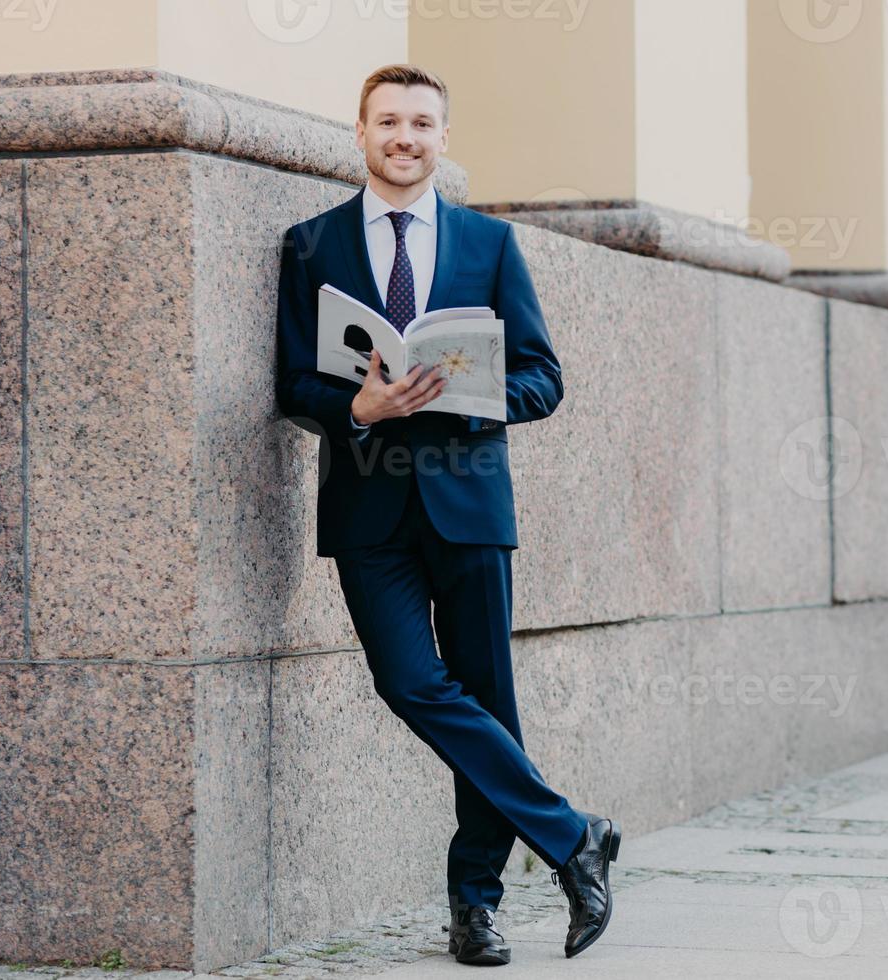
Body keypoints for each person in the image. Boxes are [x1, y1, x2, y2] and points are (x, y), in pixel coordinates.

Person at [273, 63, 620, 966]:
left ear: (443, 138)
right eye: (388, 121)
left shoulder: (490, 246)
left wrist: (467, 396)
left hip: (468, 500)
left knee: (486, 700)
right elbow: (290, 383)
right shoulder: (310, 246)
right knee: (410, 683)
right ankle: (574, 834)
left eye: (422, 124)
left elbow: (545, 377)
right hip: (368, 507)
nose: (405, 137)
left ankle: (476, 907)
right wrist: (359, 410)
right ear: (359, 132)